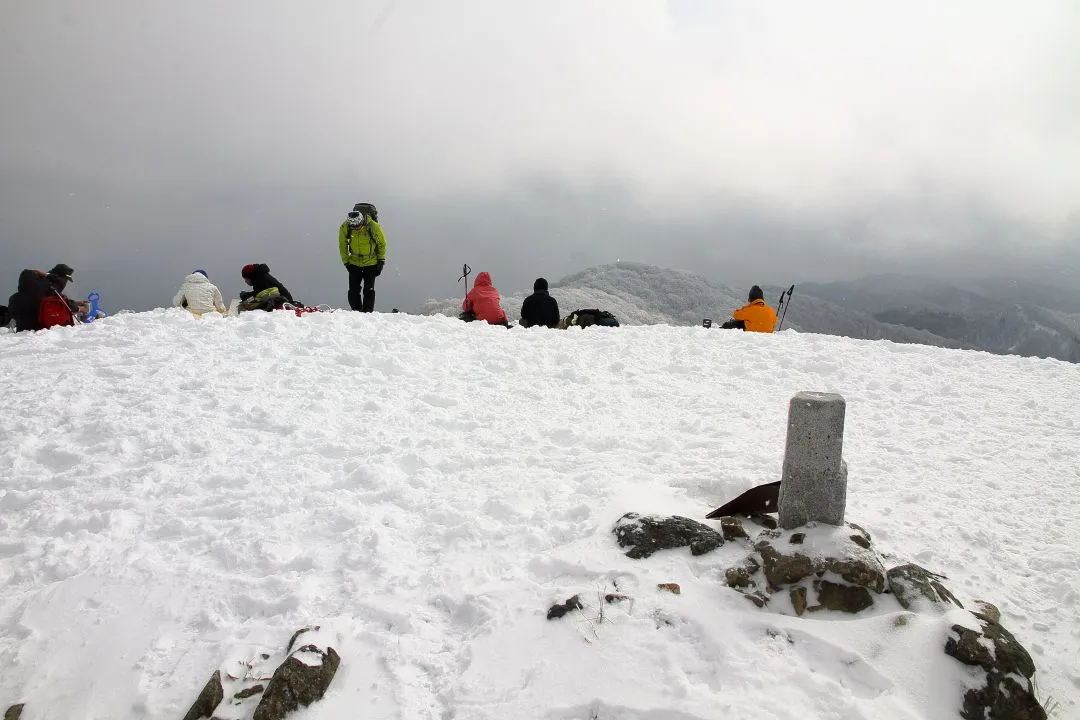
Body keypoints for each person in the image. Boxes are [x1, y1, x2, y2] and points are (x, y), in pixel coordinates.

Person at [339, 204, 386, 312]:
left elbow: (382, 243)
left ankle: (367, 313)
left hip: (371, 263)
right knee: (353, 291)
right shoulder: (345, 227)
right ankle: (357, 312)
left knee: (368, 290)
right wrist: (346, 262)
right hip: (354, 262)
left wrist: (381, 261)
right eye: (353, 226)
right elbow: (342, 245)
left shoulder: (373, 226)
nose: (355, 228)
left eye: (357, 226)